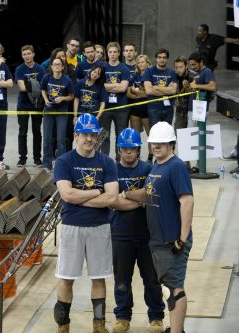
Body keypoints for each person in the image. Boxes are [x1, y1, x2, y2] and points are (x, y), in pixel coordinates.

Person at [123, 121, 194, 333]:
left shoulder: (177, 166)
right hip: (158, 241)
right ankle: (175, 328)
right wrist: (124, 194)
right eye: (154, 143)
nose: (156, 147)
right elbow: (148, 193)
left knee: (174, 290)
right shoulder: (157, 166)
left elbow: (187, 201)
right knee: (168, 288)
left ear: (171, 144)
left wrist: (181, 238)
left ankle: (176, 331)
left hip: (171, 241)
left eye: (161, 144)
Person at [53, 113, 119, 333]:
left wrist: (80, 197)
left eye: (93, 134)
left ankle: (98, 325)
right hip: (72, 227)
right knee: (66, 278)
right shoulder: (64, 161)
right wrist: (95, 192)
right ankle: (63, 326)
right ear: (76, 135)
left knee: (98, 277)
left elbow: (111, 198)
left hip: (99, 227)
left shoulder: (107, 162)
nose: (89, 139)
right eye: (85, 135)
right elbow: (67, 195)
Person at [109, 128, 165, 333]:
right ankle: (123, 317)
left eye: (132, 149)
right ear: (118, 150)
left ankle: (156, 317)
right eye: (124, 149)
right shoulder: (112, 170)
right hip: (119, 234)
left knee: (152, 279)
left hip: (147, 234)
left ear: (139, 150)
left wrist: (126, 194)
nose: (128, 153)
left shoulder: (149, 169)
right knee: (121, 279)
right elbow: (112, 201)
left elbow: (151, 196)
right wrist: (138, 199)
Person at [41, 57, 74, 172]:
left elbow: (71, 96)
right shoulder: (47, 77)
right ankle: (46, 164)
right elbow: (43, 89)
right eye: (54, 64)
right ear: (51, 66)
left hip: (62, 112)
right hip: (48, 110)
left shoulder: (67, 80)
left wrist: (63, 98)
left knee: (61, 140)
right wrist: (45, 99)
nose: (56, 66)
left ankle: (61, 165)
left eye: (59, 64)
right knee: (47, 138)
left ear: (63, 67)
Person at [14, 44, 45, 167]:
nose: (26, 56)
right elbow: (21, 88)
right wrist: (35, 85)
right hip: (23, 104)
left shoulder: (40, 69)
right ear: (22, 56)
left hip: (37, 104)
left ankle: (37, 159)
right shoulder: (20, 69)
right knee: (23, 132)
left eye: (28, 53)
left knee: (37, 132)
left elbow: (43, 87)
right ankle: (22, 158)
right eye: (24, 54)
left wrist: (31, 85)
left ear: (33, 54)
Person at [101, 42, 130, 160]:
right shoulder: (102, 67)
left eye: (115, 52)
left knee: (120, 135)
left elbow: (123, 88)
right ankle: (104, 159)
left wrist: (107, 86)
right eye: (110, 52)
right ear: (107, 53)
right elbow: (99, 86)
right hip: (106, 107)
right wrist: (116, 85)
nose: (112, 54)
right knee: (104, 135)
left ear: (119, 53)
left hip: (121, 108)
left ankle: (119, 160)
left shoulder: (124, 68)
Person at [144, 48, 178, 127]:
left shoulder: (172, 73)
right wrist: (167, 90)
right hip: (154, 109)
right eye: (159, 57)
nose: (162, 60)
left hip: (168, 109)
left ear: (167, 59)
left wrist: (156, 87)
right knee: (156, 135)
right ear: (156, 58)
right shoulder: (149, 71)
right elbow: (149, 91)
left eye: (164, 57)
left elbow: (173, 91)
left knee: (166, 135)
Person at [127, 55, 152, 161]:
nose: (141, 64)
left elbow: (150, 94)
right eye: (139, 62)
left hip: (147, 109)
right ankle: (137, 156)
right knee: (135, 135)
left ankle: (150, 157)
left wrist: (137, 92)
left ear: (147, 63)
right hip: (135, 110)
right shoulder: (135, 76)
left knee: (150, 135)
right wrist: (140, 94)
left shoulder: (151, 75)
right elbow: (128, 94)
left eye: (143, 62)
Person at [173, 56, 197, 131]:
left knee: (193, 134)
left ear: (186, 66)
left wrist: (189, 87)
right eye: (176, 67)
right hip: (180, 110)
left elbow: (201, 91)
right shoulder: (174, 76)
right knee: (179, 134)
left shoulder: (194, 76)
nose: (178, 70)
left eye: (181, 67)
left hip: (193, 109)